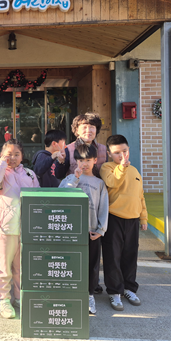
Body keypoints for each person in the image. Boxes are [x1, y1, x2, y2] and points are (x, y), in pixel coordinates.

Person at [0, 139, 39, 319]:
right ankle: (4, 299)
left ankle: (20, 296)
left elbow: (37, 197)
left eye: (16, 154)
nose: (13, 158)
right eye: (8, 154)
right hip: (5, 228)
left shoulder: (30, 174)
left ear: (22, 156)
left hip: (25, 227)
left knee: (22, 266)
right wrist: (1, 164)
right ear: (1, 155)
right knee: (4, 267)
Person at [54, 112, 108, 294]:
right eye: (84, 127)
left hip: (96, 200)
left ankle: (92, 285)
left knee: (94, 251)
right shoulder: (69, 149)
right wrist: (61, 161)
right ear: (76, 130)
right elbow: (59, 175)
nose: (88, 130)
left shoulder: (102, 149)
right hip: (74, 203)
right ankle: (74, 283)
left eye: (92, 127)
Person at [99, 134, 148, 312]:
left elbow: (140, 196)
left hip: (133, 219)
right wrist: (121, 167)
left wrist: (143, 218)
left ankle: (129, 288)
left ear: (129, 150)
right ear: (109, 153)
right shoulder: (106, 168)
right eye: (117, 152)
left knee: (130, 255)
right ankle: (114, 291)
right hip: (114, 218)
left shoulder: (135, 171)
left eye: (124, 151)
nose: (122, 155)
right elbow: (113, 182)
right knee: (113, 256)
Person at [59, 143, 108, 315]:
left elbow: (104, 207)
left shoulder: (100, 183)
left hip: (91, 231)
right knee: (71, 263)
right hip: (72, 231)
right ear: (76, 161)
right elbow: (61, 195)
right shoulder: (69, 179)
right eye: (80, 160)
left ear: (95, 160)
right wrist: (75, 178)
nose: (84, 164)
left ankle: (89, 295)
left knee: (92, 265)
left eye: (88, 160)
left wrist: (101, 230)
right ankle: (72, 294)